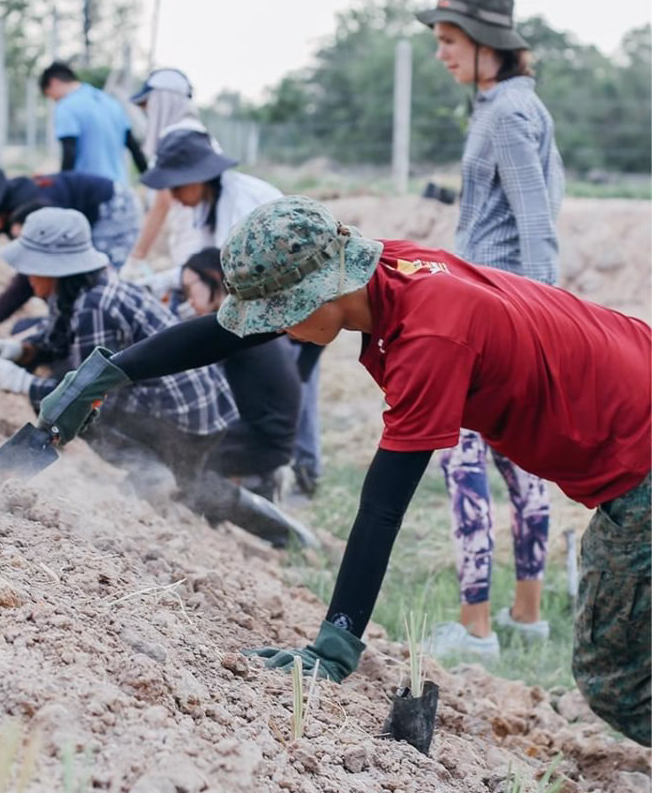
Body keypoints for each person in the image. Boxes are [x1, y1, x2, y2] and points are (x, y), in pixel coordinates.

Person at [33, 196, 651, 747]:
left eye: (283, 313)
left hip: (640, 465)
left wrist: (336, 643)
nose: (276, 330)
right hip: (634, 429)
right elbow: (229, 334)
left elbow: (383, 506)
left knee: (614, 680)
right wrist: (107, 373)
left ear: (324, 292)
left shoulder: (430, 338)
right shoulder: (385, 271)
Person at [0, 207, 314, 549]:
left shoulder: (95, 305)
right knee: (192, 483)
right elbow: (56, 339)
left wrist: (25, 384)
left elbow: (87, 388)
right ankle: (159, 478)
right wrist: (21, 350)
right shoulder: (82, 291)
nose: (29, 281)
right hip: (193, 407)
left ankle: (153, 475)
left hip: (184, 417)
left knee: (100, 424)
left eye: (34, 272)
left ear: (57, 269)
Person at [417, 0, 565, 660]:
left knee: (463, 458)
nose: (441, 53)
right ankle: (526, 615)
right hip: (507, 306)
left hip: (493, 313)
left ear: (486, 43)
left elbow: (536, 224)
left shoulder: (505, 114)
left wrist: (542, 318)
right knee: (521, 458)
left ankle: (476, 628)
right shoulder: (516, 106)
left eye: (449, 40)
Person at [141, 127, 324, 497]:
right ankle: (266, 471)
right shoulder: (207, 206)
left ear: (197, 177)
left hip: (292, 302)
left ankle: (301, 474)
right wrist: (153, 285)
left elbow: (225, 271)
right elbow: (203, 266)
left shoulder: (243, 205)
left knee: (295, 390)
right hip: (259, 306)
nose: (173, 197)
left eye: (177, 187)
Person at [0, 168, 140, 322]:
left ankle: (96, 323)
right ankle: (61, 323)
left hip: (112, 209)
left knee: (92, 277)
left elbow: (35, 272)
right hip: (83, 206)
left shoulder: (36, 213)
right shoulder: (4, 209)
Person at [181, 247, 300, 500]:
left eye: (189, 289)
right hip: (274, 438)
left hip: (262, 442)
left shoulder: (232, 324)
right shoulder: (251, 314)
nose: (188, 300)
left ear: (214, 276)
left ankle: (252, 493)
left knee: (179, 452)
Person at [119, 67, 204, 290]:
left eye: (149, 105)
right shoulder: (196, 133)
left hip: (195, 243)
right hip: (197, 242)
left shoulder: (177, 139)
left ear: (162, 102)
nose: (148, 113)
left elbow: (162, 202)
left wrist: (136, 256)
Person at [39, 61, 147, 183]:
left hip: (88, 188)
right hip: (119, 186)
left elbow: (69, 153)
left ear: (54, 82)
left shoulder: (66, 106)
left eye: (50, 96)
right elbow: (134, 147)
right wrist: (150, 180)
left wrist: (64, 186)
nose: (54, 100)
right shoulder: (110, 101)